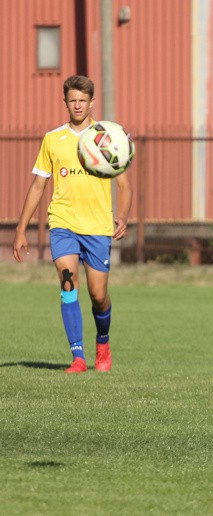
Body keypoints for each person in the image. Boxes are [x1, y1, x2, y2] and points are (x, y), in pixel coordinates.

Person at [12, 75, 132, 373]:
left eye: (82, 100)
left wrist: (123, 216)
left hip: (97, 227)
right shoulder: (53, 139)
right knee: (68, 283)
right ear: (65, 102)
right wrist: (21, 228)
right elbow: (38, 186)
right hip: (63, 223)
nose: (77, 105)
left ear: (92, 102)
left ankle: (102, 342)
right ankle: (78, 357)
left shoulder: (106, 137)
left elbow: (124, 186)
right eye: (72, 100)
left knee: (98, 295)